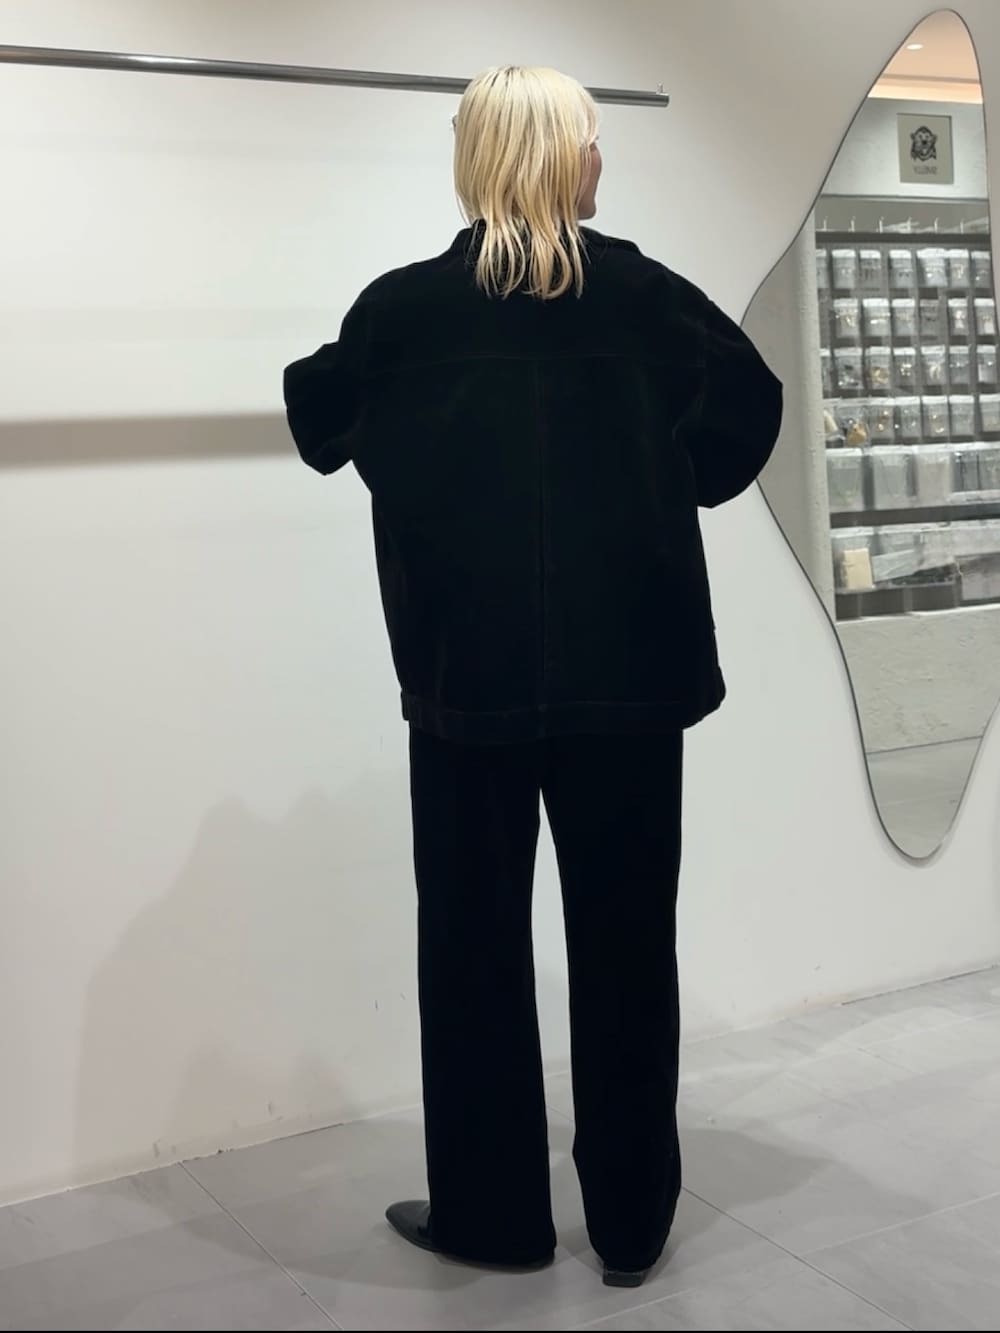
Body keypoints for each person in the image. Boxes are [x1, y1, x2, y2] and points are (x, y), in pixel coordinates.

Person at [283, 64, 782, 1287]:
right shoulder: (651, 302)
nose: (602, 160)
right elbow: (744, 424)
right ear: (561, 156)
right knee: (627, 946)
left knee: (470, 952)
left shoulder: (401, 314)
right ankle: (629, 1224)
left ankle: (493, 1215)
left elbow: (317, 419)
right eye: (592, 141)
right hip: (632, 683)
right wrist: (647, 479)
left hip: (468, 683)